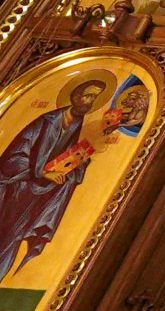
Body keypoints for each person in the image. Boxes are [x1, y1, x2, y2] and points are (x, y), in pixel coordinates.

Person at [0, 75, 106, 277]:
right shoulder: (46, 122)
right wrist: (42, 173)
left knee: (11, 241)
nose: (89, 102)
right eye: (87, 95)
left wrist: (79, 163)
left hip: (38, 196)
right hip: (14, 191)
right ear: (75, 96)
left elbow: (70, 164)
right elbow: (12, 159)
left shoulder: (80, 128)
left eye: (94, 98)